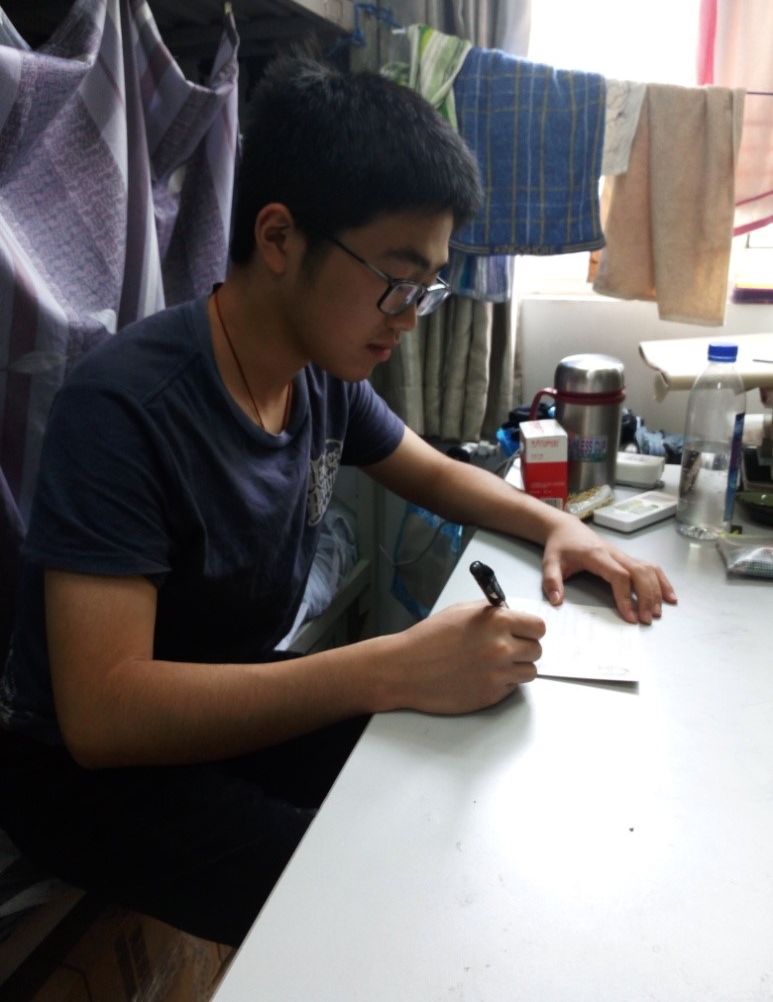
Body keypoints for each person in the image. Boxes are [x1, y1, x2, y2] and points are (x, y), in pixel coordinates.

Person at [0, 56, 677, 947]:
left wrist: (558, 526)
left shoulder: (319, 378)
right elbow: (104, 716)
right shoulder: (124, 409)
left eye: (428, 287)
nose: (409, 315)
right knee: (366, 904)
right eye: (397, 279)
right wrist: (391, 665)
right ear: (279, 238)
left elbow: (434, 473)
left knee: (453, 784)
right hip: (85, 773)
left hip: (232, 696)